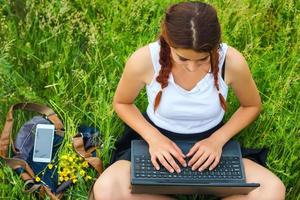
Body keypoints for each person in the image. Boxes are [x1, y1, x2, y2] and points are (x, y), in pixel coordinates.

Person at [93, 2, 285, 200]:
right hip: (156, 140)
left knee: (272, 189)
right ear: (167, 41)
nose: (192, 67)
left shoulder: (231, 61)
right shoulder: (145, 59)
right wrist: (154, 138)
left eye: (202, 59)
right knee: (107, 189)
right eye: (183, 58)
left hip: (211, 142)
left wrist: (217, 140)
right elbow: (122, 103)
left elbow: (251, 106)